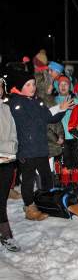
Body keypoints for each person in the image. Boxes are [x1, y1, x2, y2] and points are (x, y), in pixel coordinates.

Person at [7, 70, 73, 221]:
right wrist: (52, 111)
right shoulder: (16, 102)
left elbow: (48, 118)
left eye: (34, 84)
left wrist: (61, 109)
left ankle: (46, 200)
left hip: (41, 148)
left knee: (46, 176)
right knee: (28, 180)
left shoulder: (36, 101)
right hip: (26, 150)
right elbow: (33, 121)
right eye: (28, 85)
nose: (32, 87)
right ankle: (29, 206)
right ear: (19, 87)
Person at [0, 86, 20, 251]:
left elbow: (13, 132)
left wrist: (12, 148)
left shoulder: (6, 108)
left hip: (6, 159)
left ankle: (4, 234)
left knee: (2, 198)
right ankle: (6, 234)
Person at [55, 76, 78, 193]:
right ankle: (65, 185)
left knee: (75, 163)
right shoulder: (53, 101)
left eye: (66, 84)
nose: (63, 86)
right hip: (61, 138)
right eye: (61, 84)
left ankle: (75, 186)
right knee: (64, 163)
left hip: (75, 138)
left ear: (69, 86)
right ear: (57, 86)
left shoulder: (76, 101)